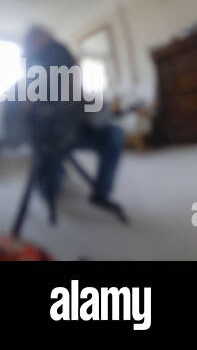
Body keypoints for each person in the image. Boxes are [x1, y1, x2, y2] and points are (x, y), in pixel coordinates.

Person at [22, 25, 126, 222]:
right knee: (50, 191)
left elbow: (85, 105)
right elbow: (25, 116)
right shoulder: (31, 76)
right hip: (47, 139)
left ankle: (101, 193)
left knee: (114, 135)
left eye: (46, 41)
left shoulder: (67, 69)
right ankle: (52, 176)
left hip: (74, 131)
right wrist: (32, 103)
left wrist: (94, 107)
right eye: (36, 42)